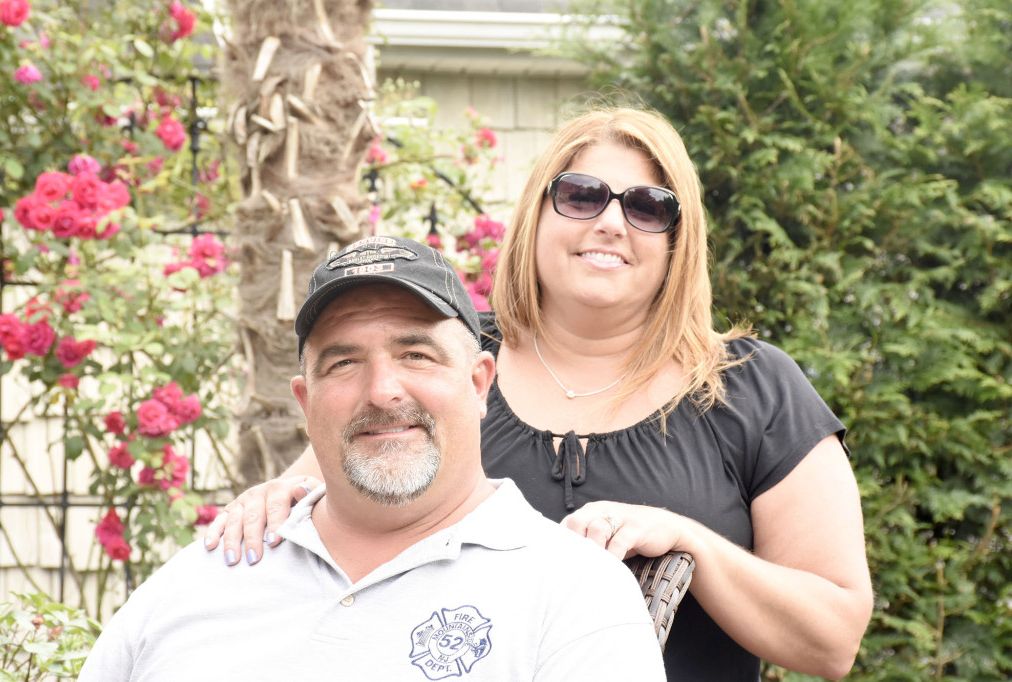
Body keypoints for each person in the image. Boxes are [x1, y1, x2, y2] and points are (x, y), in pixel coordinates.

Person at [207, 108, 874, 680]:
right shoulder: (448, 362)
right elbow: (320, 497)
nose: (611, 222)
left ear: (679, 240)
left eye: (647, 207)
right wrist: (274, 502)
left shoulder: (751, 390)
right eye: (582, 196)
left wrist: (687, 540)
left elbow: (834, 636)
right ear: (537, 215)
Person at [80, 237, 666, 681]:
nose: (383, 390)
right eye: (344, 363)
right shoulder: (204, 577)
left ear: (480, 384)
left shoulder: (574, 593)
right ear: (306, 404)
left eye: (415, 354)